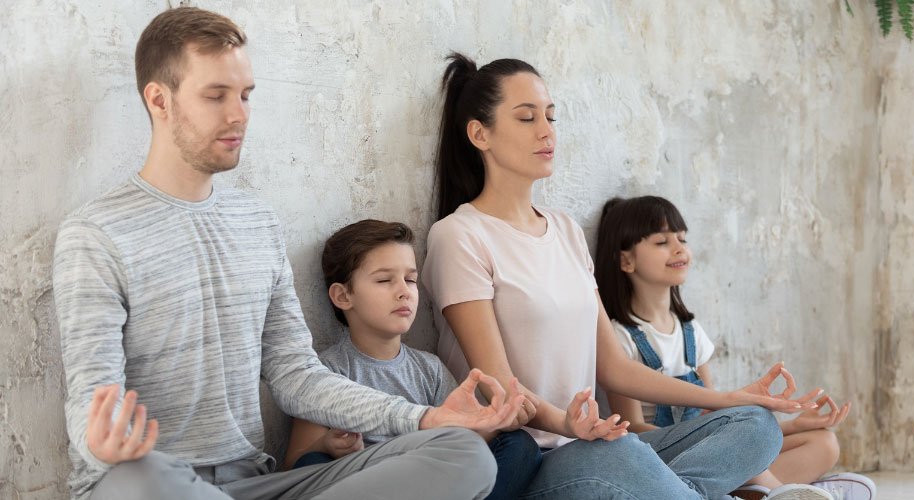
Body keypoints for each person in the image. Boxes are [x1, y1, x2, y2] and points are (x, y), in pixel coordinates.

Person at [52, 8, 524, 500]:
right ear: (159, 100)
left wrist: (424, 416)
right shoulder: (96, 233)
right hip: (155, 482)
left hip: (257, 483)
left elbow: (295, 374)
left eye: (245, 95)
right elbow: (92, 395)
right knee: (139, 481)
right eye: (216, 96)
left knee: (460, 451)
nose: (239, 114)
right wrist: (102, 440)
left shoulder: (257, 224)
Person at [421, 52, 826, 500]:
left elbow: (613, 367)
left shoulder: (566, 230)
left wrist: (732, 398)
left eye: (551, 117)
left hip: (594, 446)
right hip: (533, 460)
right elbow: (499, 391)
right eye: (526, 118)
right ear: (480, 134)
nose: (546, 131)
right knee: (617, 455)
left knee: (756, 427)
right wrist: (570, 426)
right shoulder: (459, 236)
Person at [594, 195, 877, 500]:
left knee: (823, 443)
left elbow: (708, 413)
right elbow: (632, 431)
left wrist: (794, 425)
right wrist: (717, 440)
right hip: (662, 460)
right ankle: (788, 493)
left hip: (707, 449)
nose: (679, 248)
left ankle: (766, 494)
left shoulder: (692, 333)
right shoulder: (620, 338)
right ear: (626, 260)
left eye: (682, 239)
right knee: (743, 453)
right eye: (661, 242)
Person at [284, 219, 543, 500]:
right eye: (384, 280)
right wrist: (328, 445)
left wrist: (495, 423)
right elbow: (295, 467)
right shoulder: (326, 371)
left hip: (428, 485)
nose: (404, 291)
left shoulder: (428, 368)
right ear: (343, 296)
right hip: (365, 486)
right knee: (310, 465)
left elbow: (462, 443)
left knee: (520, 445)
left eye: (410, 279)